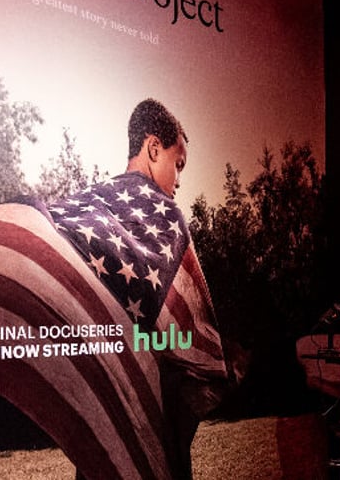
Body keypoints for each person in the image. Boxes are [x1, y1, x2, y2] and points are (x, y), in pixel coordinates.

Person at [48, 99, 227, 480]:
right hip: (152, 413)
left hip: (102, 414)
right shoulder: (166, 216)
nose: (179, 181)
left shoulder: (86, 210)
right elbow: (190, 331)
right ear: (152, 148)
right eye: (178, 165)